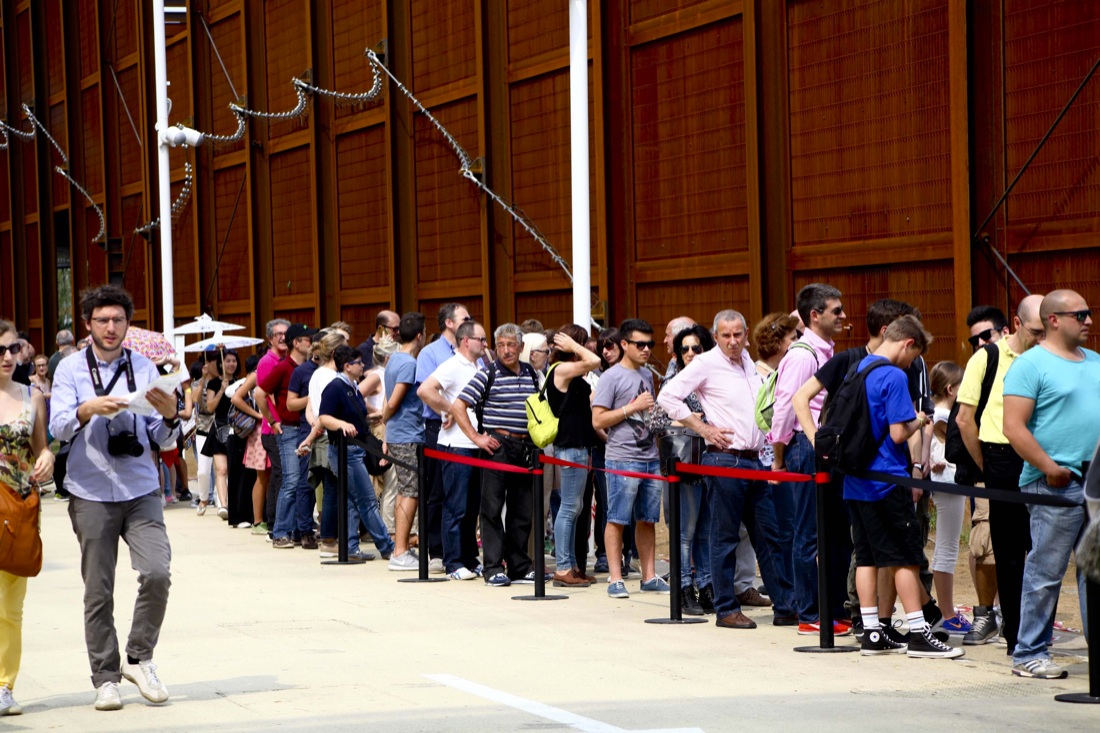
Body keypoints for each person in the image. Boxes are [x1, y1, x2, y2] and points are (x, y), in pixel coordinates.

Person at [50, 284, 181, 710]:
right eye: (103, 320)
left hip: (141, 485)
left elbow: (160, 437)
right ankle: (105, 677)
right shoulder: (70, 369)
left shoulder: (143, 366)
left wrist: (169, 415)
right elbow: (58, 428)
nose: (111, 327)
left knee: (157, 572)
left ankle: (140, 657)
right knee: (98, 590)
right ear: (88, 325)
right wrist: (88, 410)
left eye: (119, 320)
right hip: (90, 490)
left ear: (128, 324)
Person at [657, 310, 795, 629]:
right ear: (715, 337)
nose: (732, 341)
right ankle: (725, 609)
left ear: (746, 334)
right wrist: (703, 428)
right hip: (723, 458)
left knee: (768, 536)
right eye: (725, 335)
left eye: (737, 334)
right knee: (724, 538)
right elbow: (667, 397)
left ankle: (786, 606)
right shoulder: (706, 363)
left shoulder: (749, 362)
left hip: (754, 459)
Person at [842, 316, 962, 659]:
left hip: (856, 479)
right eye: (915, 357)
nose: (913, 365)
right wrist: (919, 420)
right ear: (907, 343)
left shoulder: (858, 367)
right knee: (906, 557)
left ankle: (872, 632)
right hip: (887, 477)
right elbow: (898, 432)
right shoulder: (893, 375)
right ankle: (920, 633)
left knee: (866, 555)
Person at [1003, 290, 1099, 679]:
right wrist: (1048, 466)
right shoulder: (1030, 365)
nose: (1089, 320)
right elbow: (1013, 426)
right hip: (1053, 485)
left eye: (1090, 313)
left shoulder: (1094, 361)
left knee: (1094, 572)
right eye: (1081, 314)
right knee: (1045, 571)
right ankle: (1029, 652)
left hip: (1094, 484)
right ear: (1054, 320)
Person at [955, 296, 1045, 651]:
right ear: (1017, 324)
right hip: (1000, 455)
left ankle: (1037, 631)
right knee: (1007, 552)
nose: (1041, 337)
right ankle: (1016, 635)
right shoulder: (987, 356)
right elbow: (964, 418)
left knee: (1042, 547)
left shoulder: (1047, 357)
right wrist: (986, 465)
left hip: (1042, 454)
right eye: (1036, 331)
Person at [767, 284, 848, 636]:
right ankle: (809, 612)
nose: (843, 316)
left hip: (825, 448)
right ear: (815, 316)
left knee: (832, 533)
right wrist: (779, 458)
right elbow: (786, 409)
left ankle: (830, 607)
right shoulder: (802, 356)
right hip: (805, 446)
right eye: (836, 311)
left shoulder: (829, 351)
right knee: (808, 533)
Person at [452, 323, 542, 587]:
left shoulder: (530, 373)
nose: (506, 350)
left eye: (511, 344)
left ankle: (519, 565)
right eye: (501, 345)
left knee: (522, 508)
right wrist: (476, 437)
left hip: (525, 448)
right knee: (491, 508)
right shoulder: (487, 373)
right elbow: (459, 405)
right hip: (497, 446)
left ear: (521, 347)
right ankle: (492, 567)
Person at [592, 319, 669, 599]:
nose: (647, 349)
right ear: (624, 344)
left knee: (647, 519)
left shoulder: (647, 374)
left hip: (650, 455)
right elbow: (598, 419)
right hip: (622, 457)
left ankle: (649, 575)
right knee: (617, 518)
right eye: (640, 344)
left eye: (650, 344)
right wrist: (631, 408)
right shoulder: (610, 377)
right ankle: (615, 577)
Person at [0, 320, 54, 716]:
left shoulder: (32, 395)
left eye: (12, 348)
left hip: (17, 507)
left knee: (10, 607)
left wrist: (47, 457)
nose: (7, 357)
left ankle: (3, 684)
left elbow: (40, 447)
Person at [417, 320, 489, 579]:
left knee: (471, 507)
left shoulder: (479, 364)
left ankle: (469, 558)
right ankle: (453, 563)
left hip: (474, 442)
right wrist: (448, 408)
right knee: (456, 505)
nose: (485, 344)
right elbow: (425, 390)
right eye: (481, 339)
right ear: (466, 340)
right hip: (456, 444)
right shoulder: (452, 365)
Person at [319, 346, 397, 561]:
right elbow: (324, 417)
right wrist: (342, 424)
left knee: (353, 500)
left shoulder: (351, 386)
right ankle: (387, 546)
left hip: (355, 448)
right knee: (367, 500)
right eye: (359, 363)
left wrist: (368, 420)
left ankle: (351, 546)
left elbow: (355, 417)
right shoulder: (335, 387)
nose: (363, 366)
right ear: (347, 366)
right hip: (344, 451)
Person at [543, 325, 601, 587]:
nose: (587, 347)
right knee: (568, 508)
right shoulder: (561, 369)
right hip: (569, 447)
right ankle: (564, 567)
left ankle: (573, 565)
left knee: (575, 507)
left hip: (579, 447)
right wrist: (572, 346)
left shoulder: (569, 372)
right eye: (582, 343)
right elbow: (595, 361)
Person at [416, 304, 470, 573]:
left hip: (469, 430)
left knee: (465, 494)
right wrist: (448, 410)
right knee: (438, 491)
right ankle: (436, 550)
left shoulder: (473, 352)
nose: (470, 321)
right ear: (449, 323)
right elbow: (425, 391)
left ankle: (465, 551)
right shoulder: (430, 352)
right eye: (465, 318)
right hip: (440, 426)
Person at [259, 323, 318, 549]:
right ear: (297, 343)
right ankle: (280, 532)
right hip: (290, 429)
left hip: (306, 429)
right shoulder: (284, 367)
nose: (311, 344)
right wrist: (273, 421)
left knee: (303, 481)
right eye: (308, 339)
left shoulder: (309, 367)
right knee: (291, 481)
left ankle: (294, 529)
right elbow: (260, 393)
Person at [235, 319, 290, 533]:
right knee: (270, 475)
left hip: (277, 426)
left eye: (286, 333)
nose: (283, 337)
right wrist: (265, 417)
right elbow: (260, 396)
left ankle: (272, 520)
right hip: (270, 428)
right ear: (270, 338)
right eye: (278, 334)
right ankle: (266, 521)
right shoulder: (267, 363)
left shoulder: (285, 360)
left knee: (277, 474)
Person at [927, 361, 970, 634]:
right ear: (951, 388)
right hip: (948, 484)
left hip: (946, 485)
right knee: (947, 548)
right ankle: (947, 613)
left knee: (947, 546)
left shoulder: (937, 413)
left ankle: (946, 611)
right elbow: (939, 453)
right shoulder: (944, 417)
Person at [384, 312, 428, 571]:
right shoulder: (408, 364)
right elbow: (393, 401)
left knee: (405, 489)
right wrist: (385, 420)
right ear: (420, 336)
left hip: (401, 433)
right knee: (410, 491)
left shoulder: (393, 359)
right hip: (408, 433)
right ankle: (400, 550)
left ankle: (401, 548)